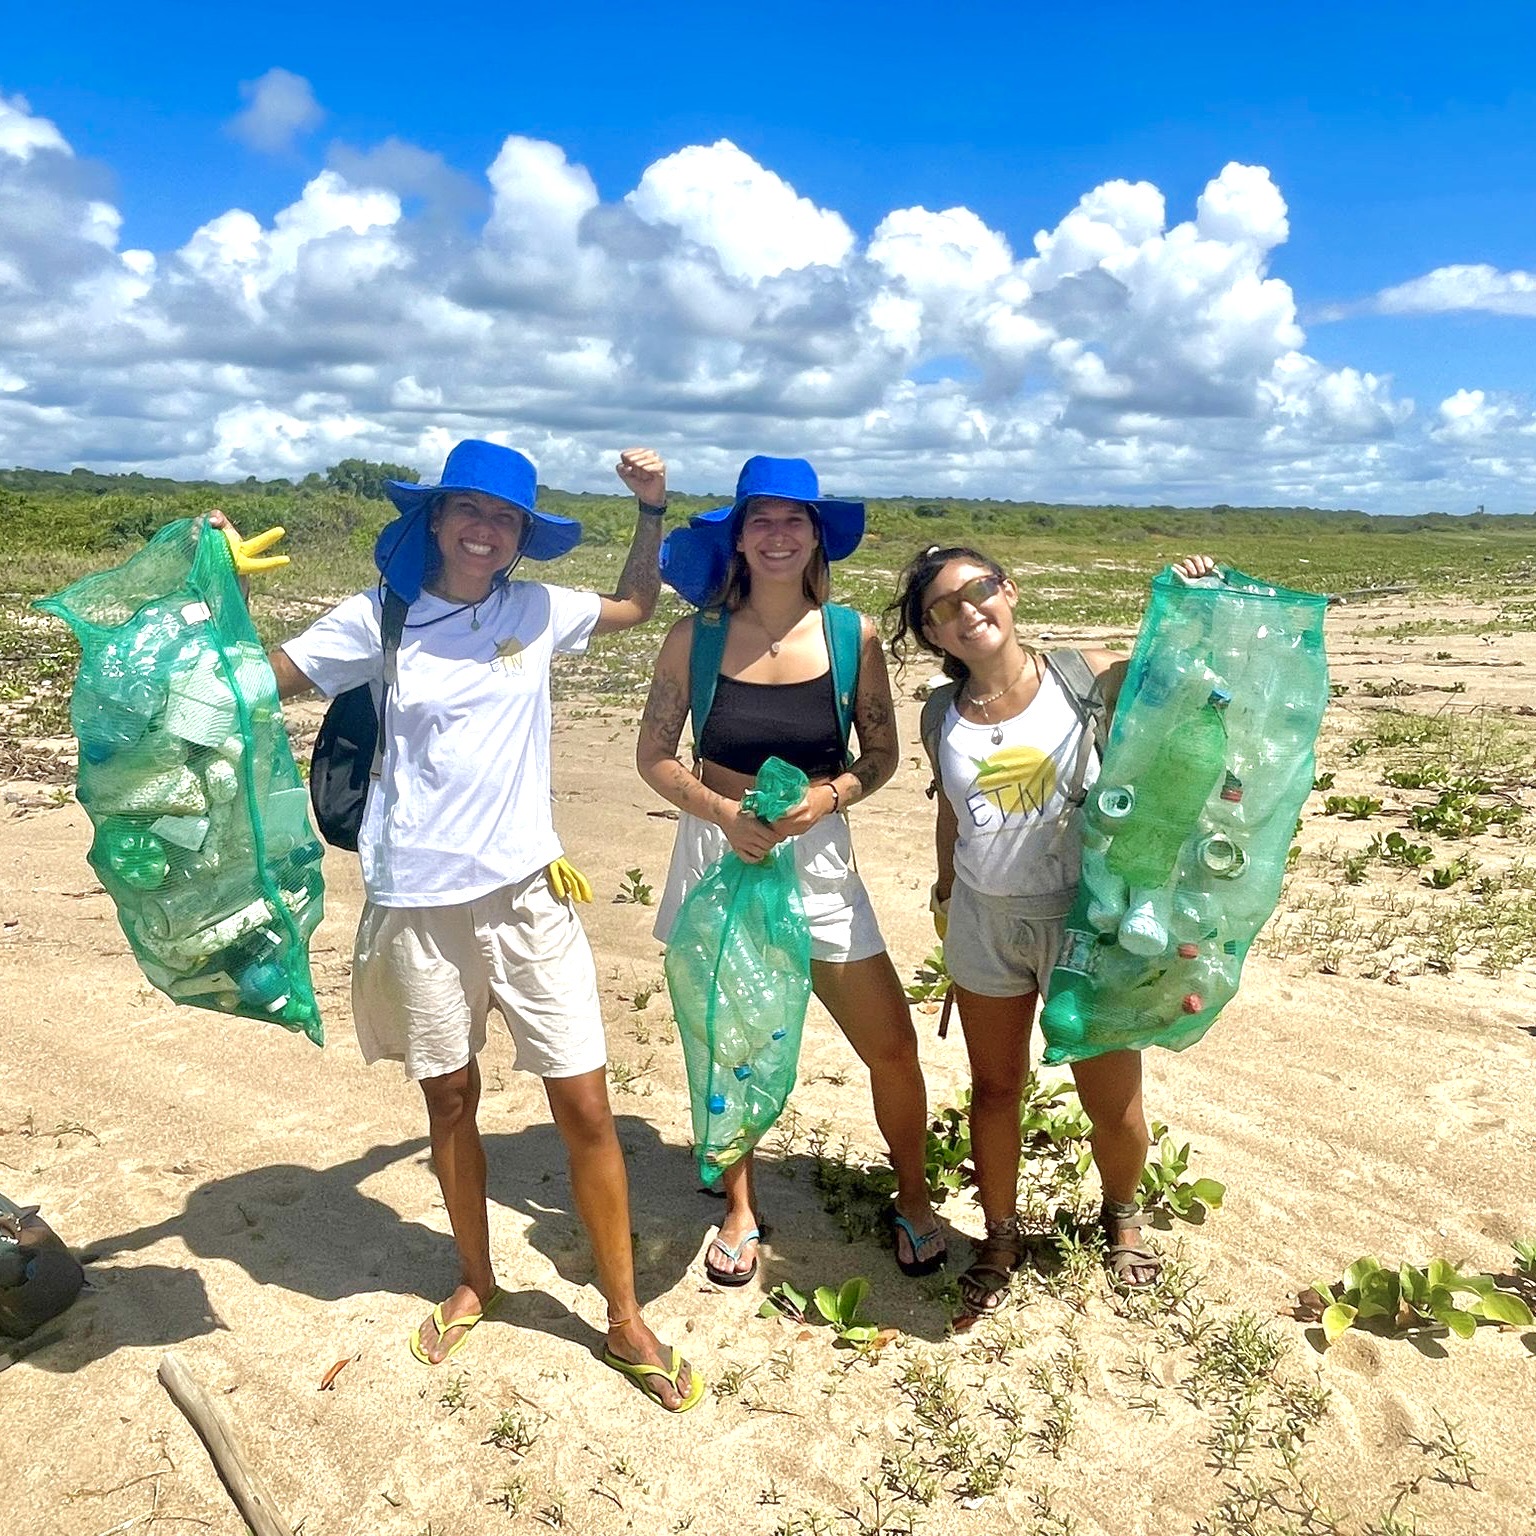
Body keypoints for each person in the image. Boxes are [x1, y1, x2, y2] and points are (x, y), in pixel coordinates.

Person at [217, 439, 702, 1412]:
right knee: (451, 1101)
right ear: (436, 520)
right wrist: (213, 593)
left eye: (506, 518)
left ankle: (621, 1315)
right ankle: (475, 1279)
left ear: (522, 537)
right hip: (418, 902)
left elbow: (637, 608)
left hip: (531, 894)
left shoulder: (536, 608)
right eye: (468, 510)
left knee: (587, 1107)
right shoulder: (380, 617)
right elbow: (258, 682)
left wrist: (652, 512)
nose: (485, 529)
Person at [636, 455, 944, 1285]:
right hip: (718, 850)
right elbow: (655, 754)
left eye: (794, 521)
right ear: (738, 537)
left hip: (819, 859)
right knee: (729, 1039)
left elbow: (878, 752)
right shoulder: (691, 637)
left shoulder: (853, 637)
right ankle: (739, 1206)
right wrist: (725, 815)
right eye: (760, 520)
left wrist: (831, 796)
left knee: (891, 1043)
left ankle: (913, 1196)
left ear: (816, 539)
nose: (777, 536)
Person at [885, 544, 1215, 1315]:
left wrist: (1192, 602)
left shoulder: (1087, 675)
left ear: (1011, 591)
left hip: (1088, 920)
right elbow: (950, 809)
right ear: (933, 633)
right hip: (985, 922)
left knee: (1113, 1097)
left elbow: (1179, 686)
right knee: (996, 1090)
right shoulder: (941, 712)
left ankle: (1122, 1217)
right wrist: (943, 891)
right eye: (943, 608)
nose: (968, 612)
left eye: (980, 590)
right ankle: (1000, 1237)